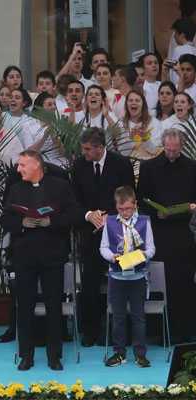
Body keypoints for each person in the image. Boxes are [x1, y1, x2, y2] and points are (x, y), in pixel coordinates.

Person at [1, 150, 81, 371]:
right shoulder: (16, 190)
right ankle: (27, 356)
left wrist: (51, 222)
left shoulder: (60, 186)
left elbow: (74, 214)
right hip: (24, 258)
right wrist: (22, 223)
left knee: (54, 309)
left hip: (52, 257)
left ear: (36, 165)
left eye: (22, 165)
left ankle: (54, 357)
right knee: (24, 308)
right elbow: (5, 219)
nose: (18, 170)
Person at [71, 127, 135, 347]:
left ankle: (120, 332)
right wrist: (89, 215)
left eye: (88, 149)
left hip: (119, 235)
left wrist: (114, 216)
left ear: (100, 147)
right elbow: (74, 200)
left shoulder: (121, 164)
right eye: (83, 148)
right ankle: (90, 331)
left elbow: (130, 197)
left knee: (121, 282)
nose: (84, 153)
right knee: (89, 284)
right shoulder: (79, 166)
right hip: (90, 236)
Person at [137, 128, 196, 343]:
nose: (171, 154)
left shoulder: (191, 167)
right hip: (159, 232)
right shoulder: (150, 167)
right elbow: (142, 198)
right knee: (162, 280)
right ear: (162, 146)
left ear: (182, 147)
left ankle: (185, 330)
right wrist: (156, 212)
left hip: (184, 231)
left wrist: (192, 207)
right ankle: (160, 332)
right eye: (168, 150)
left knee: (184, 281)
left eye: (175, 151)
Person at [100, 186, 155, 368]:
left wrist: (144, 256)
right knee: (118, 317)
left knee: (139, 317)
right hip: (117, 277)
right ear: (116, 207)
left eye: (129, 209)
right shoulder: (110, 223)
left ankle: (140, 354)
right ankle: (119, 353)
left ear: (135, 205)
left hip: (138, 276)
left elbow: (151, 247)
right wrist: (111, 256)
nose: (125, 212)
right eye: (121, 209)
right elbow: (104, 247)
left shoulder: (145, 221)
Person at [119, 90, 163, 163]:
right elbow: (123, 153)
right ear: (126, 104)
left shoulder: (154, 122)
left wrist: (145, 137)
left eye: (137, 100)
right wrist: (131, 138)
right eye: (130, 100)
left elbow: (155, 150)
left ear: (143, 104)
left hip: (150, 165)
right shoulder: (121, 124)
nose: (133, 103)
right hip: (129, 167)